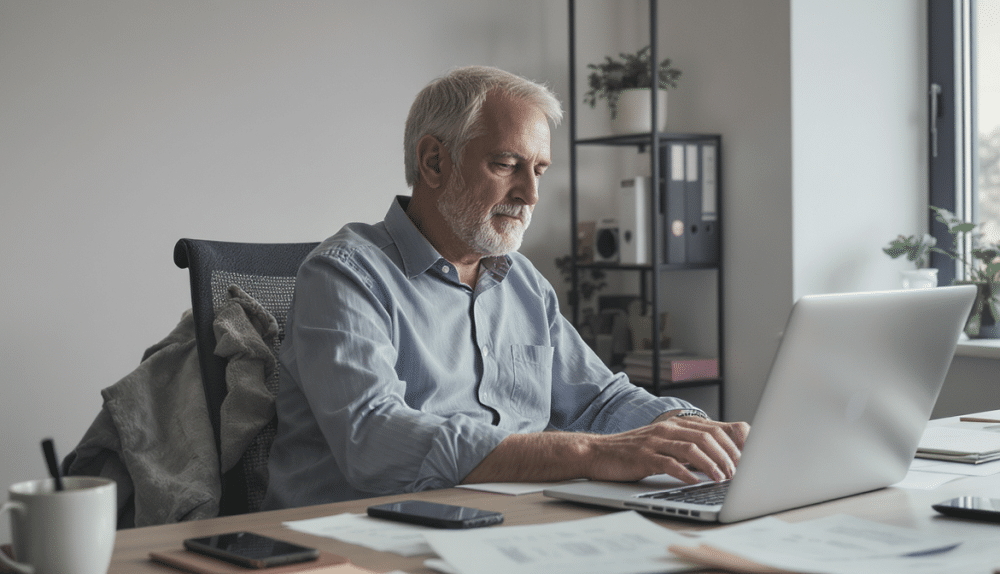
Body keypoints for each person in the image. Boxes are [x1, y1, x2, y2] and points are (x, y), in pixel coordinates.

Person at [262, 66, 749, 510]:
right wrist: (586, 452)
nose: (531, 195)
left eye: (538, 170)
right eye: (506, 165)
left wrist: (697, 430)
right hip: (352, 536)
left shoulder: (521, 282)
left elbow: (598, 400)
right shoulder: (344, 273)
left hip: (506, 523)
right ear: (434, 162)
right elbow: (372, 438)